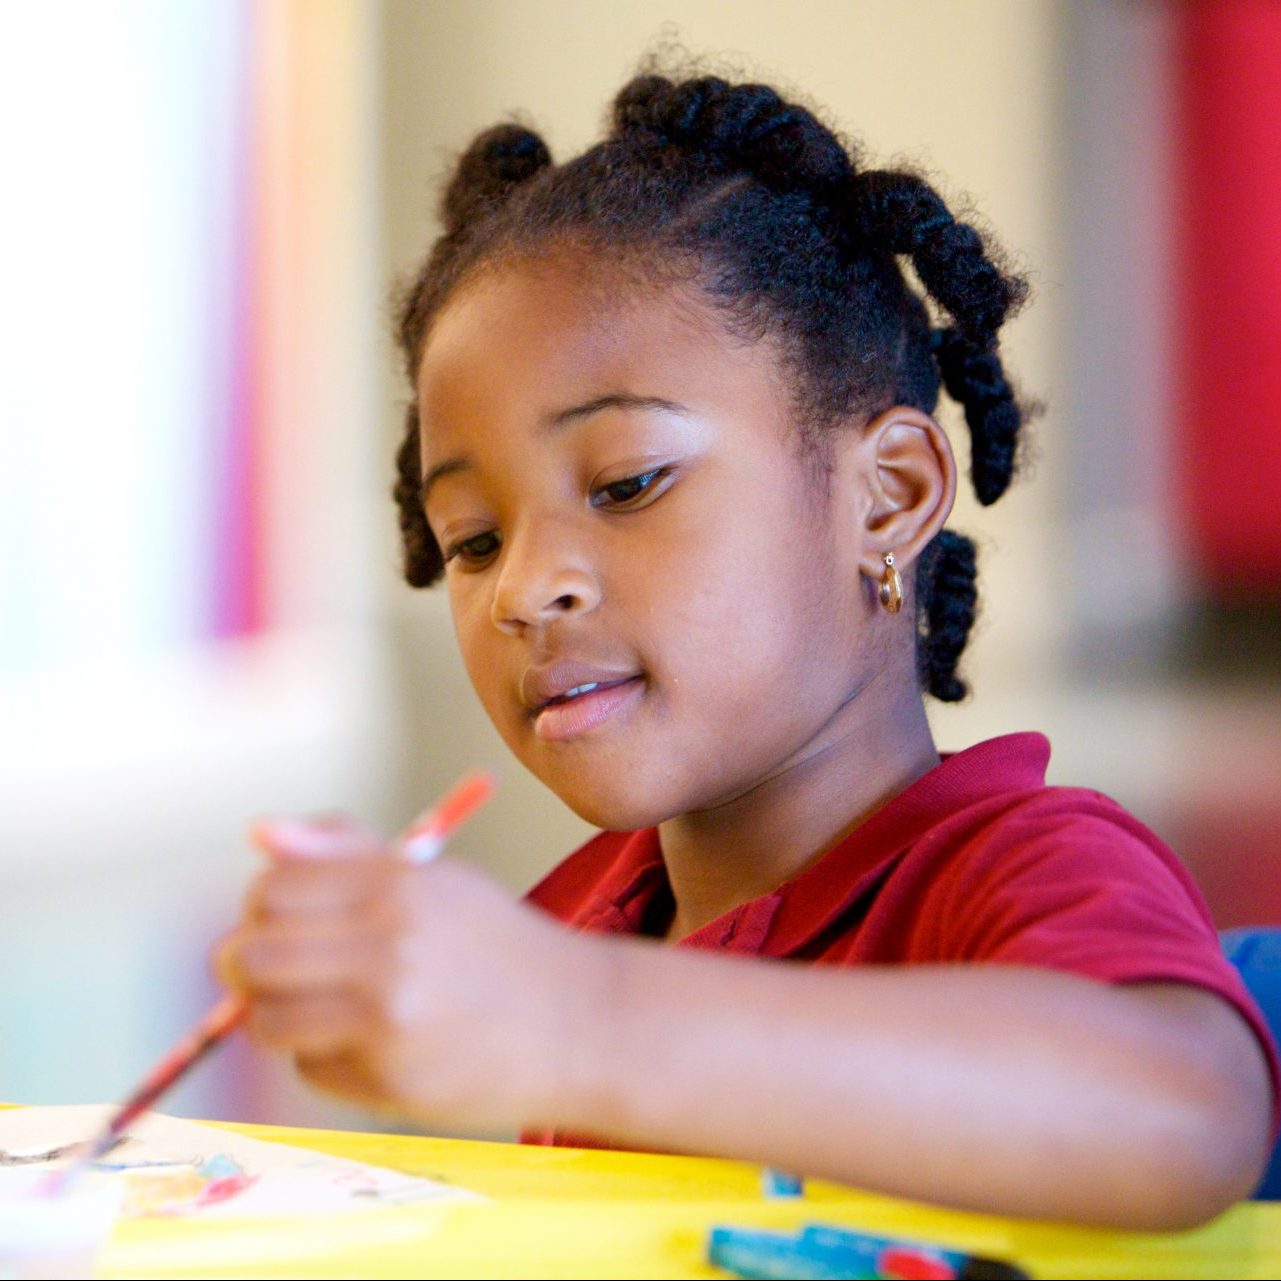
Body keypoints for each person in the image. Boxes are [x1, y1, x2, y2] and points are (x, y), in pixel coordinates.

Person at [217, 68, 1279, 1229]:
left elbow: (1188, 1114)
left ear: (888, 496)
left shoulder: (1016, 870)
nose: (524, 589)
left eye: (627, 484)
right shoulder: (580, 922)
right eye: (470, 539)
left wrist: (579, 1018)